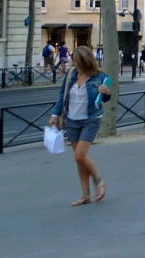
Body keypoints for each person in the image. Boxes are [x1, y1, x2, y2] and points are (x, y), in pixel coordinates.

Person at [48, 46, 112, 207]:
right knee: (79, 160)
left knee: (79, 156)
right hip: (71, 120)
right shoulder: (71, 75)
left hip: (90, 119)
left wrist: (106, 93)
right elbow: (62, 96)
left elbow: (104, 100)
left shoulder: (100, 76)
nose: (73, 63)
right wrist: (54, 115)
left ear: (84, 61)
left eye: (76, 61)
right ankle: (85, 195)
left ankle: (99, 181)